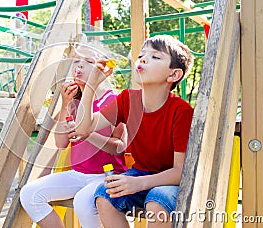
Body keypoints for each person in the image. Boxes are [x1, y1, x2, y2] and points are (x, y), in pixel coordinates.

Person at [75, 35, 195, 228]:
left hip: (172, 180)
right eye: (141, 55)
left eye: (155, 57)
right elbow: (83, 127)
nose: (143, 59)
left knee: (157, 201)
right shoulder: (127, 100)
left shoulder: (181, 112)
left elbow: (180, 172)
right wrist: (91, 85)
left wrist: (138, 184)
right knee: (105, 196)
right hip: (141, 173)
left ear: (173, 75)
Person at [20, 44, 128, 228]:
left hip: (106, 175)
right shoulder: (74, 102)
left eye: (88, 61)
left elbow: (120, 146)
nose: (79, 66)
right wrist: (64, 104)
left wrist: (88, 134)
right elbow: (61, 143)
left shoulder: (113, 100)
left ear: (103, 69)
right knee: (29, 194)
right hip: (78, 174)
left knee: (82, 202)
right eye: (76, 61)